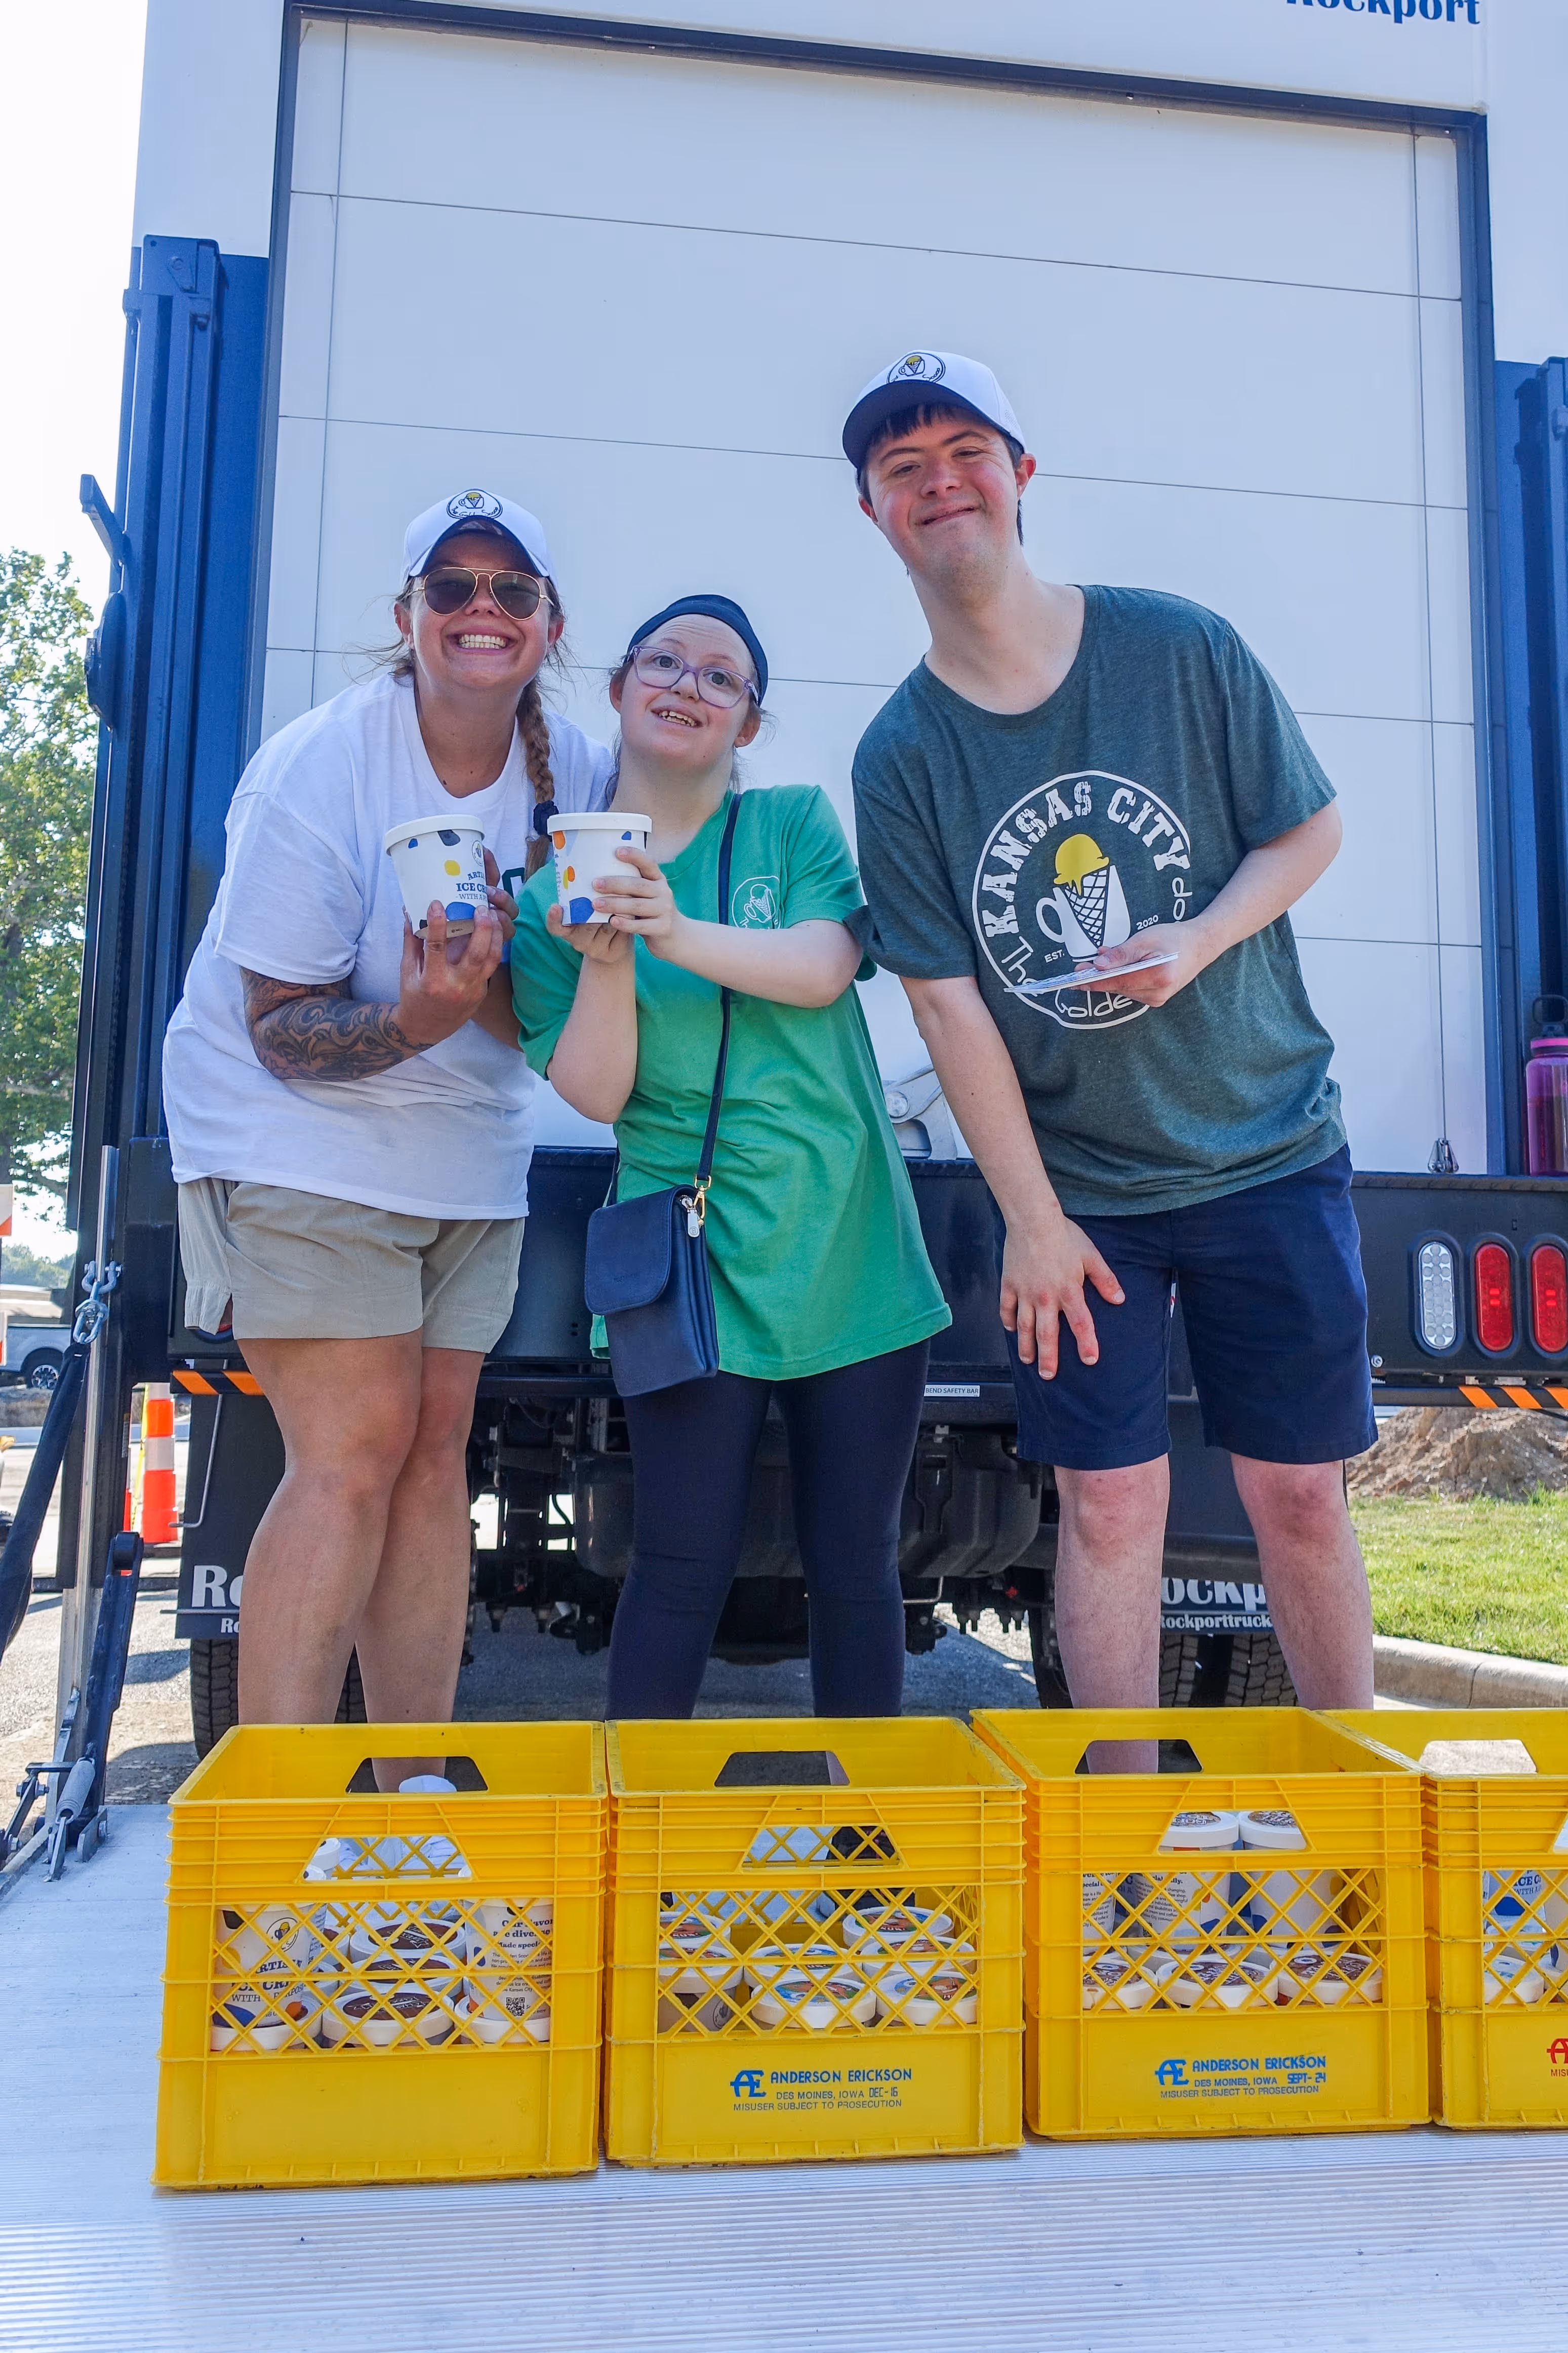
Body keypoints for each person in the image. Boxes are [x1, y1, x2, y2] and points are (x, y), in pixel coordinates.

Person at [843, 350, 1376, 1763]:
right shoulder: (902, 755)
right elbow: (947, 1004)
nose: (939, 483)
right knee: (1111, 1501)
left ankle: (1360, 1812)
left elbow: (1309, 828)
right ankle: (1120, 1830)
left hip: (1269, 1143)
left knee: (1298, 1493)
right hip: (1083, 1191)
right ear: (873, 511)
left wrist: (1197, 939)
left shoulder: (1177, 647)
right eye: (903, 468)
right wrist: (1030, 1220)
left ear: (1023, 474)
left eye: (966, 451)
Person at [162, 488, 612, 1782]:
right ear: (407, 615)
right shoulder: (325, 764)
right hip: (295, 1136)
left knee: (429, 1460)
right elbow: (276, 1028)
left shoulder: (578, 776)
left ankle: (414, 1794)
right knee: (351, 1455)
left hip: (469, 1152)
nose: (482, 609)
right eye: (451, 587)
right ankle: (280, 1819)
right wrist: (419, 1018)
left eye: (510, 590)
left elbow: (563, 985)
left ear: (549, 624)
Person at [512, 594, 950, 1717]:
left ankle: (867, 1823)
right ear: (620, 688)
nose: (688, 686)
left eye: (721, 677)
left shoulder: (792, 825)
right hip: (685, 1262)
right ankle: (642, 1826)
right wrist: (608, 959)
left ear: (747, 724)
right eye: (664, 662)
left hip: (847, 1239)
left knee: (856, 1566)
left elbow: (821, 965)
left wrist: (666, 927)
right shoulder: (548, 894)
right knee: (676, 1564)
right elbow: (598, 1090)